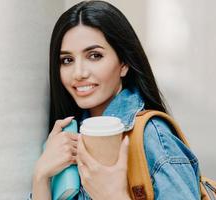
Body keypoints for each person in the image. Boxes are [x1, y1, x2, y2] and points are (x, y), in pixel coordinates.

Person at [31, 1, 201, 199]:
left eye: (94, 56)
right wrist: (41, 176)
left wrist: (115, 195)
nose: (78, 73)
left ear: (124, 64)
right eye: (67, 60)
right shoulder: (68, 139)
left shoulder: (152, 138)